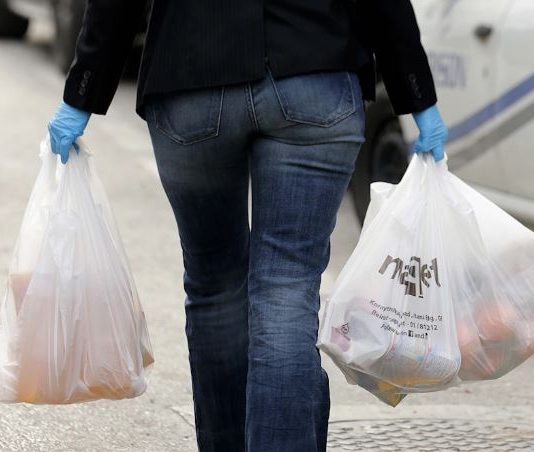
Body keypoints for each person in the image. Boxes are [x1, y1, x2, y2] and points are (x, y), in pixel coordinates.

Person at [47, 0, 448, 451]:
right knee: (287, 286)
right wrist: (419, 99)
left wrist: (81, 95)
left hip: (191, 79)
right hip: (313, 73)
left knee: (215, 286)